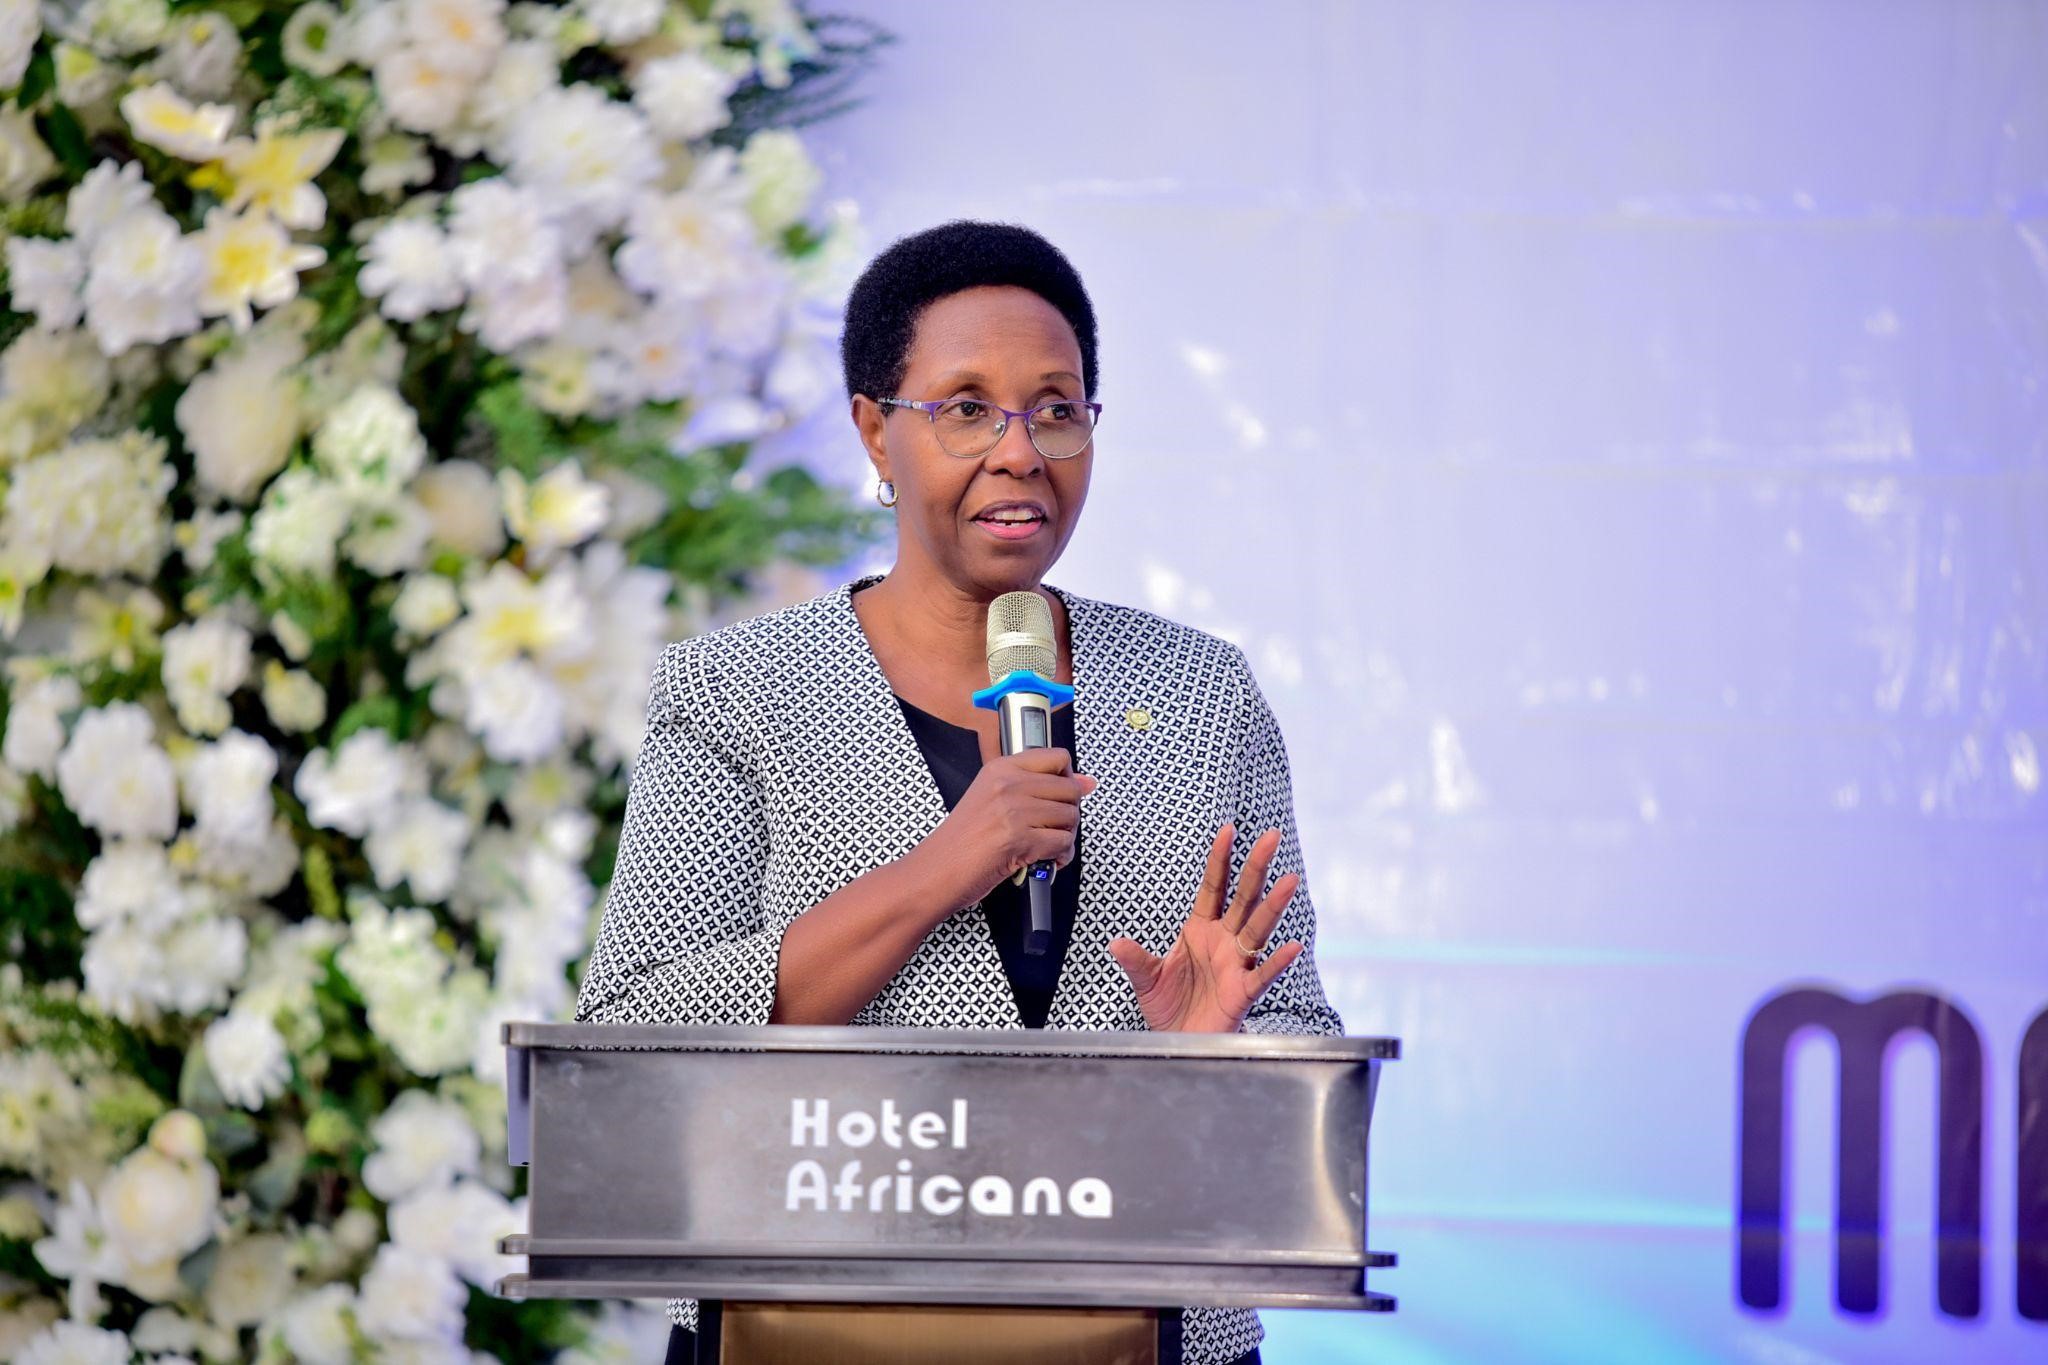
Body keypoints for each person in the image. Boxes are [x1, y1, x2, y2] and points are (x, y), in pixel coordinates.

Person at [574, 220, 1343, 1365]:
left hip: (1149, 1335)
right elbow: (627, 1046)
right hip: (808, 1333)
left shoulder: (1197, 692)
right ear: (875, 432)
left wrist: (1203, 1067)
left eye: (1056, 407)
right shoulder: (737, 690)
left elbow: (1292, 1031)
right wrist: (951, 861)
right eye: (967, 408)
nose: (1021, 450)